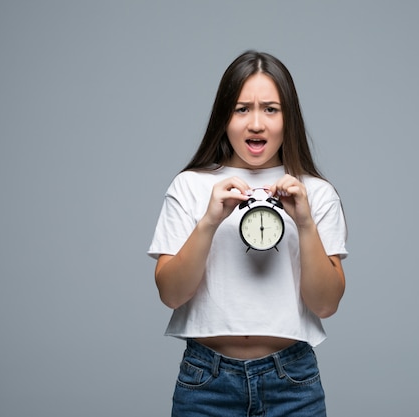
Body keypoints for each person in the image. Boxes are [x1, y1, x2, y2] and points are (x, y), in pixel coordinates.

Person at [147, 50, 348, 417]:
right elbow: (171, 295)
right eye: (242, 109)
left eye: (270, 109)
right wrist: (209, 221)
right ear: (224, 117)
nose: (256, 123)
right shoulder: (190, 186)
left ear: (289, 118)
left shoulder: (315, 192)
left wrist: (304, 223)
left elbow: (326, 305)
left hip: (292, 382)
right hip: (206, 382)